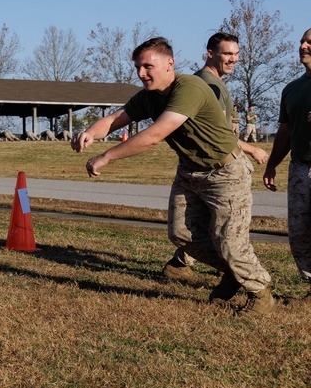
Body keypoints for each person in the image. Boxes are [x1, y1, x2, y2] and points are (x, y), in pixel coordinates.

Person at [71, 37, 274, 315]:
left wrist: (107, 156)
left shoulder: (189, 88)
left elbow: (154, 136)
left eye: (147, 66)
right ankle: (234, 273)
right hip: (190, 171)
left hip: (225, 172)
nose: (142, 73)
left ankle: (261, 293)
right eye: (138, 67)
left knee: (229, 241)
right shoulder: (148, 96)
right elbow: (115, 119)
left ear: (170, 64)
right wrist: (90, 133)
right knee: (181, 233)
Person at [163, 33, 270, 286]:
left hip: (201, 168)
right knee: (219, 230)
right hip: (213, 169)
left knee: (203, 224)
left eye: (235, 54)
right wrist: (252, 150)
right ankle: (244, 278)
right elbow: (219, 134)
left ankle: (181, 263)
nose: (233, 59)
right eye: (226, 54)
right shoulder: (209, 85)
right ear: (210, 53)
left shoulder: (211, 82)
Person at [263, 28, 311, 303]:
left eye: (309, 42)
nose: (302, 45)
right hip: (299, 168)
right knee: (299, 232)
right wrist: (272, 165)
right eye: (302, 41)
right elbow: (285, 131)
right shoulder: (291, 89)